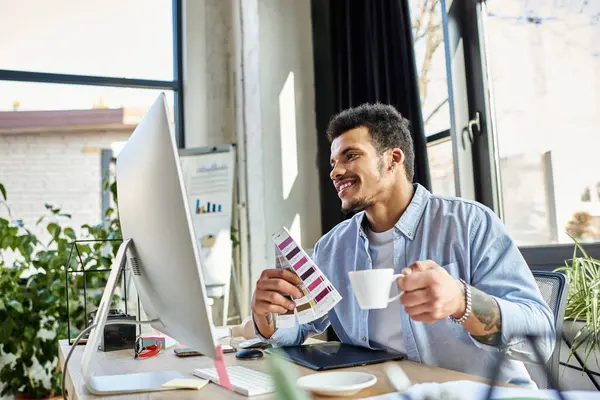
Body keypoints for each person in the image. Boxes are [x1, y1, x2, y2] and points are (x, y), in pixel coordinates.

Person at [251, 103, 555, 385]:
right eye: (333, 162)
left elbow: (541, 335)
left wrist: (462, 302)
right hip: (388, 391)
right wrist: (268, 315)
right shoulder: (333, 247)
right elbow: (300, 327)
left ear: (394, 158)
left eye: (351, 156)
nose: (335, 171)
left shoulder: (468, 223)